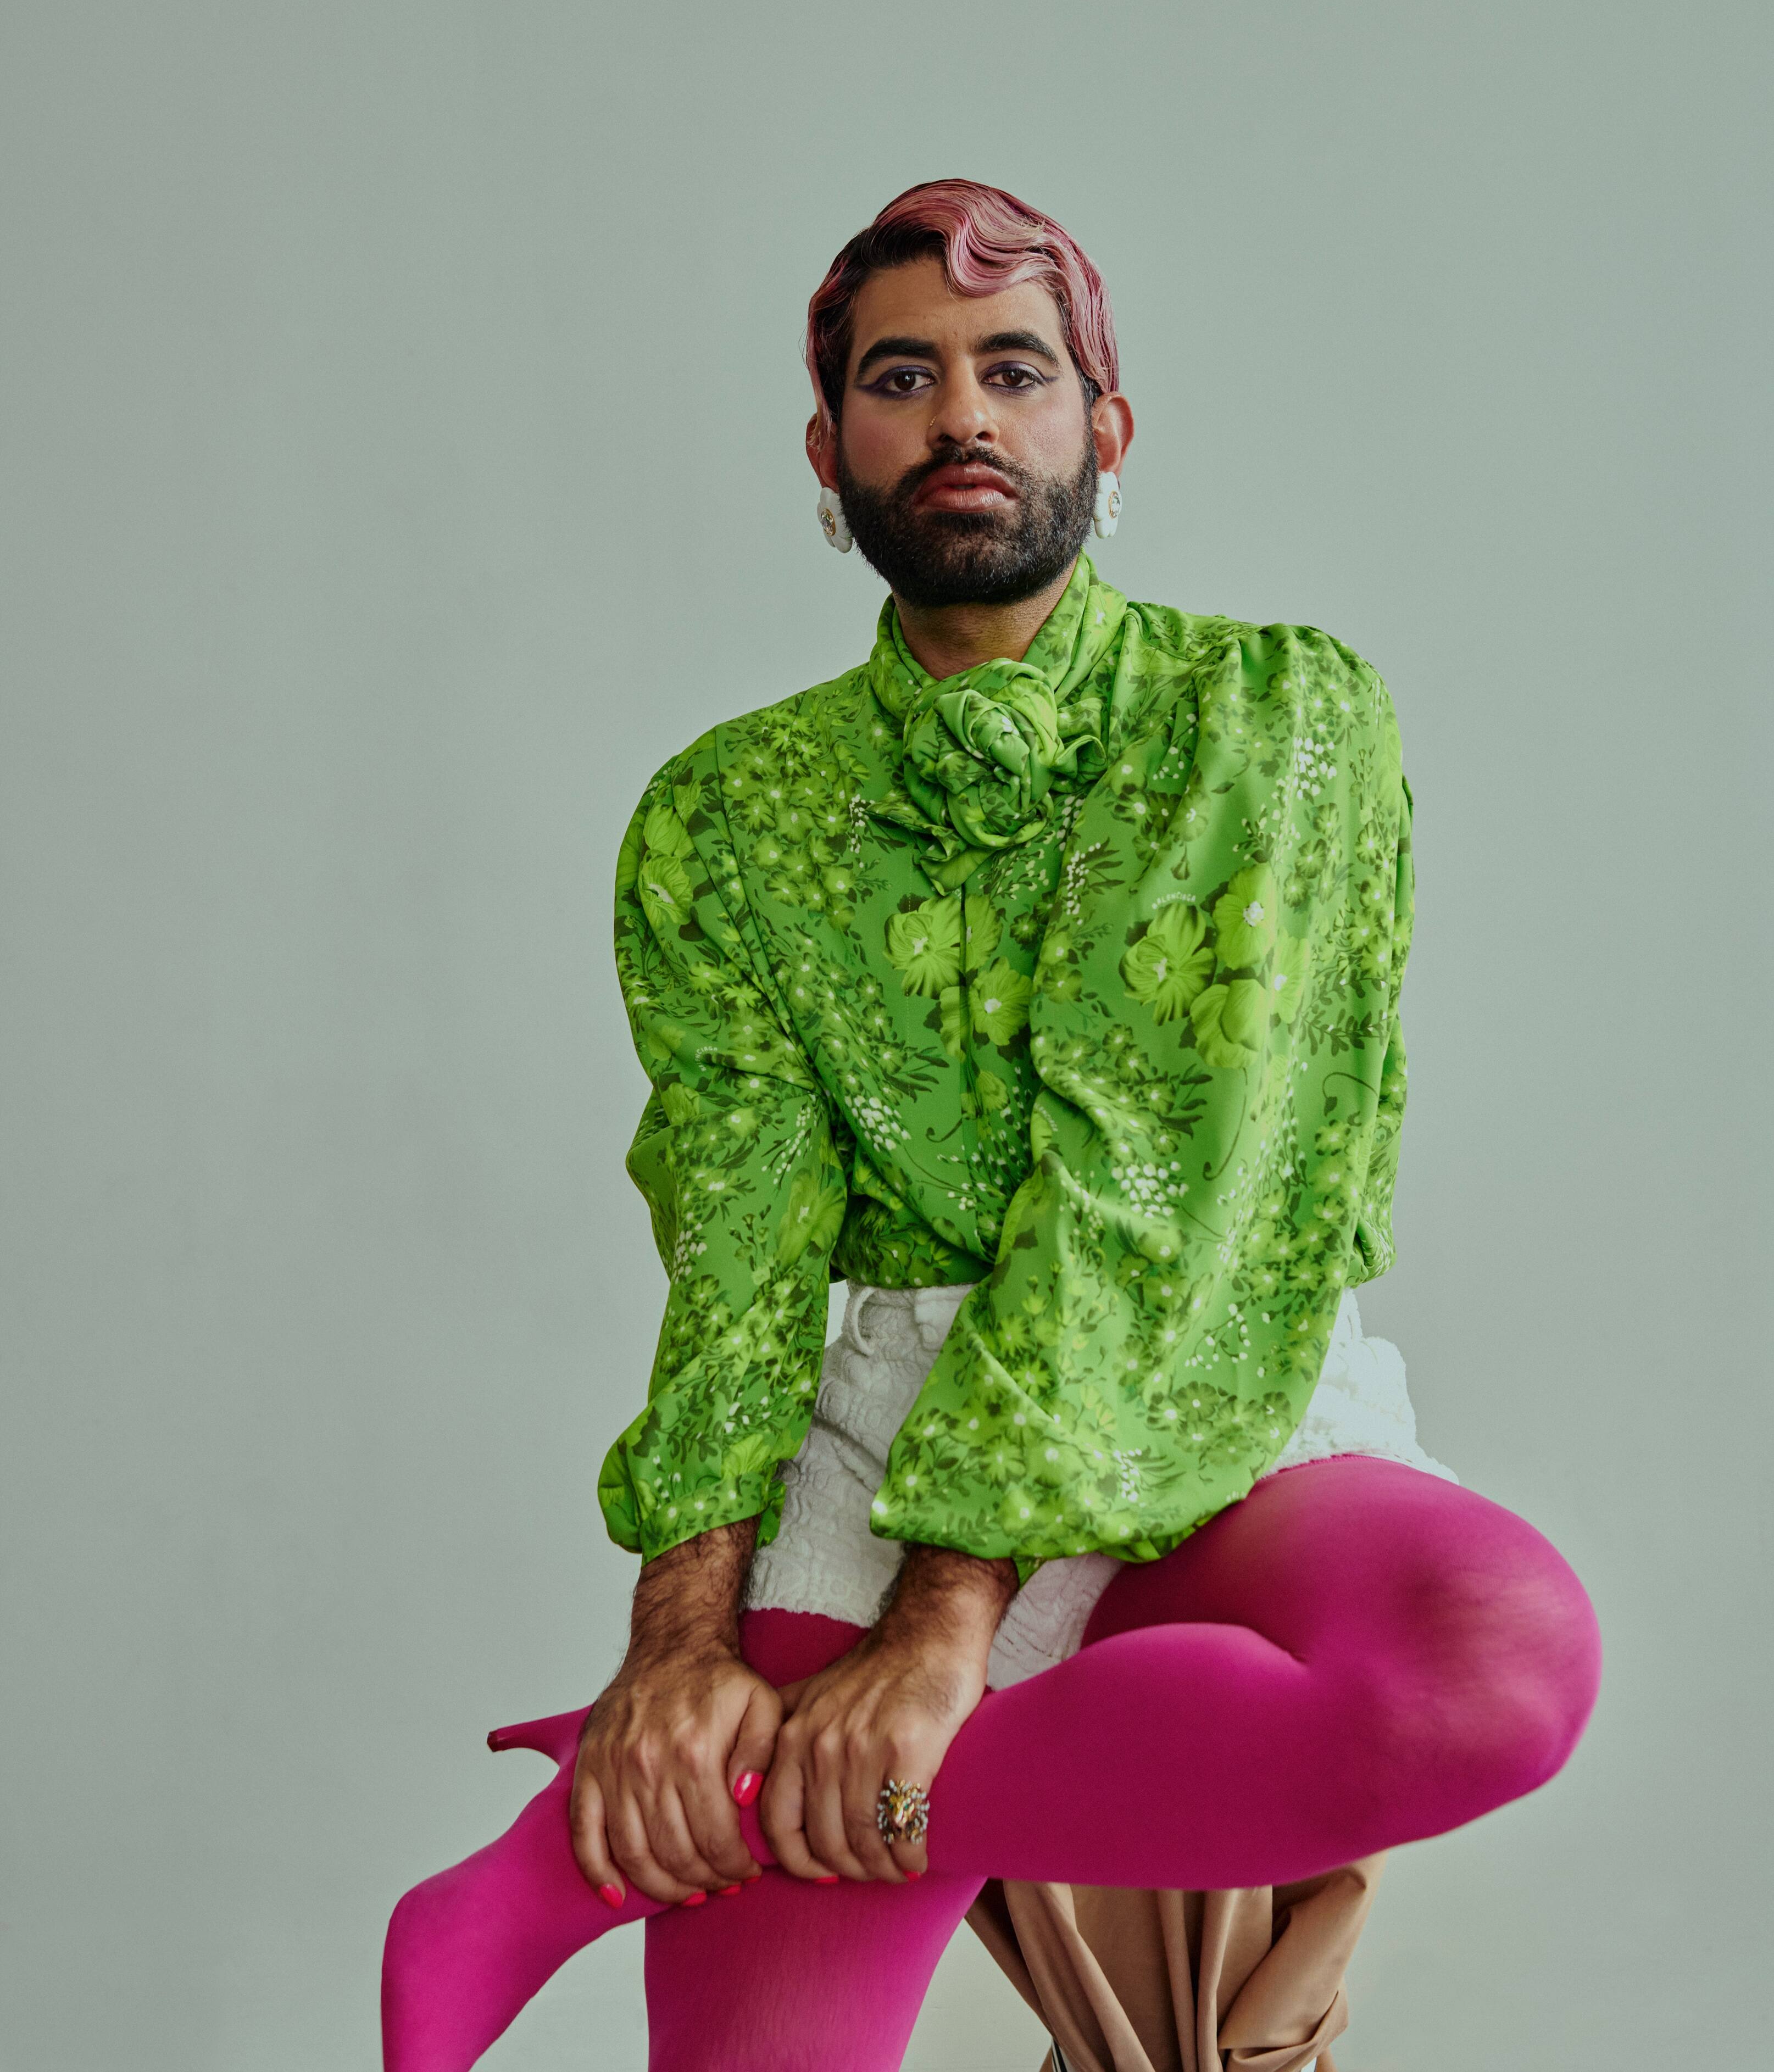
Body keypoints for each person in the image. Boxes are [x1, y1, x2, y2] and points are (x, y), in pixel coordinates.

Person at [381, 181, 1600, 2072]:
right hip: (877, 1448)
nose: (960, 416)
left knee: (1498, 1661)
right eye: (901, 377)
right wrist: (678, 1647)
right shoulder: (725, 815)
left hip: (1208, 1398)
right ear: (829, 450)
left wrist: (945, 1639)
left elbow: (1148, 1174)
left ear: (1105, 432)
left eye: (1013, 370)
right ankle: (686, 1806)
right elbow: (743, 1236)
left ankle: (573, 1869)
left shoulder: (1265, 714)